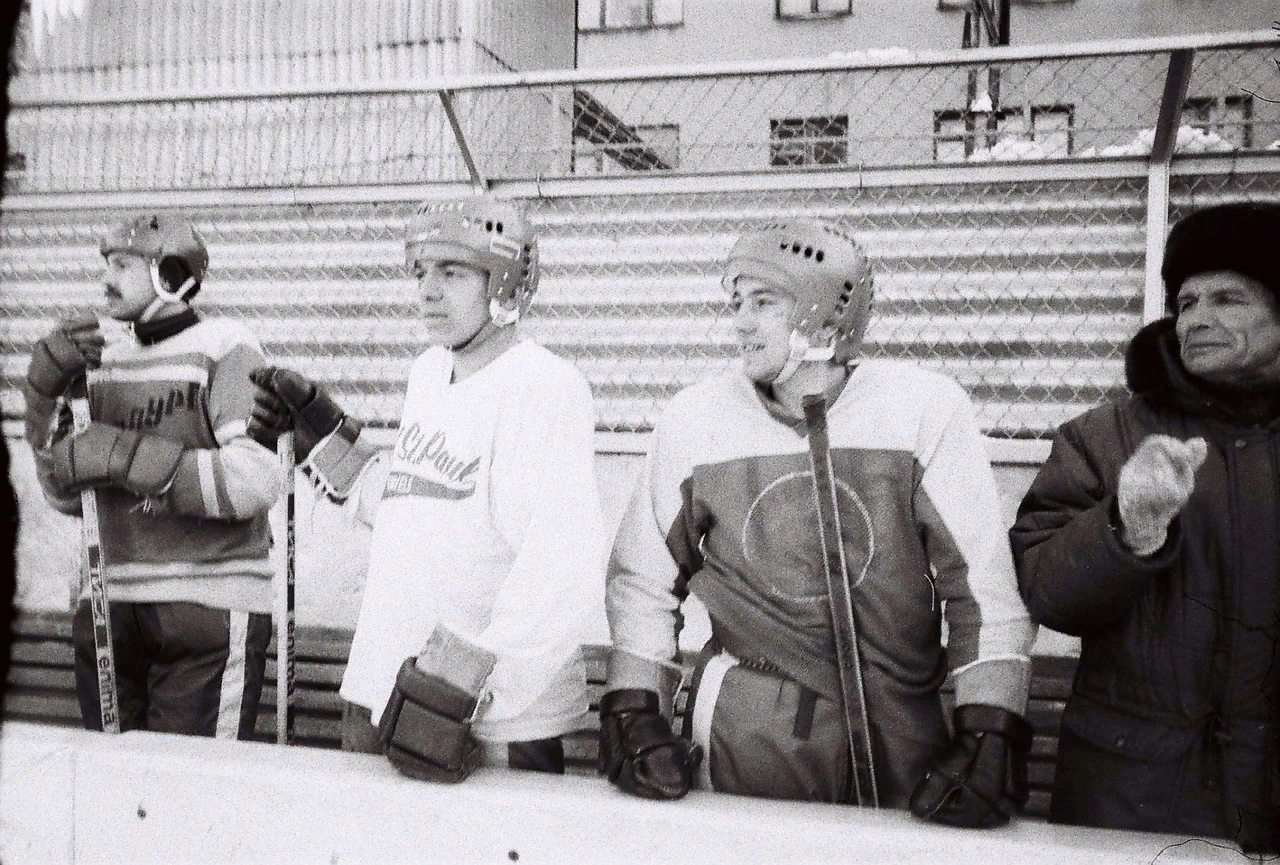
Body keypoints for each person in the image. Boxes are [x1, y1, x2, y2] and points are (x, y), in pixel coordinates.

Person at [599, 219, 1036, 826]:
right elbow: (645, 579)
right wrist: (634, 708)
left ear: (828, 315)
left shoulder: (922, 409)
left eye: (764, 302)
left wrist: (990, 728)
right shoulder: (696, 418)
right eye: (736, 303)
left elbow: (980, 585)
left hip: (903, 743)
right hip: (748, 744)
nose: (741, 323)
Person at [248, 195, 604, 780]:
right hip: (382, 682)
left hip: (475, 717)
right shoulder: (430, 373)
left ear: (508, 281)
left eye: (452, 272)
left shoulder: (545, 386)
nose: (427, 291)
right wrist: (319, 444)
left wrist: (473, 697)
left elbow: (557, 565)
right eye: (421, 272)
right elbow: (414, 508)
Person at [1010, 201, 1280, 855]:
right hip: (1127, 795)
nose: (1197, 320)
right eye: (1185, 302)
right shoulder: (1106, 436)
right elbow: (1046, 587)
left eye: (1227, 299)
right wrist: (1129, 525)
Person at [24, 214, 278, 738]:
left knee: (188, 794)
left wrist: (126, 456)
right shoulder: (101, 361)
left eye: (122, 264)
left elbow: (257, 476)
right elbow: (67, 496)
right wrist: (41, 402)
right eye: (106, 264)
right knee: (114, 796)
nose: (106, 278)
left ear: (169, 272)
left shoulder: (226, 346)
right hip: (107, 602)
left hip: (206, 601)